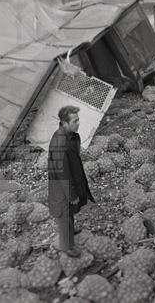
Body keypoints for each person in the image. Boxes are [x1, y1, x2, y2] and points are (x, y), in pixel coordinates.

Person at [47, 105, 95, 258]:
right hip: (61, 186)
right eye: (75, 121)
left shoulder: (71, 136)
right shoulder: (59, 144)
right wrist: (71, 194)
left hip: (71, 178)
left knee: (70, 211)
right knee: (64, 214)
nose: (78, 123)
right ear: (64, 123)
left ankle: (71, 231)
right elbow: (62, 174)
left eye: (78, 120)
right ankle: (66, 246)